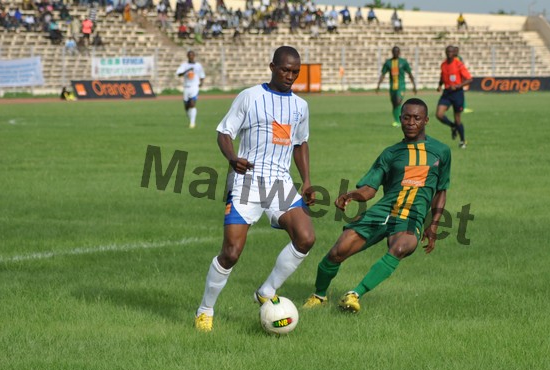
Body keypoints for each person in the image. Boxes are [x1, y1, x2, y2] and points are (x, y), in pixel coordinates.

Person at [194, 46, 316, 332]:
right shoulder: (250, 97)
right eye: (285, 70)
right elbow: (224, 132)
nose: (290, 76)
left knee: (306, 237)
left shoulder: (300, 106)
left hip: (280, 182)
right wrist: (232, 158)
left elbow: (300, 143)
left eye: (295, 72)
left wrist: (307, 180)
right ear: (272, 66)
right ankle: (205, 310)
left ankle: (266, 291)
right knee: (231, 252)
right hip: (247, 181)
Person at [303, 98, 450, 313]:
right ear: (400, 119)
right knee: (338, 251)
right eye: (406, 117)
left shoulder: (441, 151)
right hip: (382, 212)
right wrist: (352, 195)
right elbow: (370, 189)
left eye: (416, 118)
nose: (411, 122)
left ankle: (354, 294)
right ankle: (319, 295)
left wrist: (434, 225)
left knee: (400, 247)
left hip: (411, 216)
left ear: (426, 120)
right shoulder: (390, 154)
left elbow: (441, 191)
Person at [436, 45, 472, 148]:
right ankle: (452, 126)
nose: (449, 53)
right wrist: (439, 85)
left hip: (457, 93)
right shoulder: (443, 64)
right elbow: (442, 76)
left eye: (451, 52)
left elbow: (469, 79)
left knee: (457, 119)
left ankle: (462, 141)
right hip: (447, 93)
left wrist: (457, 86)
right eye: (447, 52)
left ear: (454, 53)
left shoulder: (459, 64)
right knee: (439, 114)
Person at [376, 46, 417, 127]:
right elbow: (383, 74)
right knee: (394, 104)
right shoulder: (388, 62)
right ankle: (396, 121)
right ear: (392, 52)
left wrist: (414, 85)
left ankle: (401, 120)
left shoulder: (403, 62)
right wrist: (378, 85)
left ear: (399, 52)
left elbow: (410, 74)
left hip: (401, 86)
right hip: (392, 86)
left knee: (398, 101)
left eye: (397, 51)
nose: (395, 53)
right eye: (394, 51)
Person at [175, 50, 206, 128]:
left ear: (194, 56)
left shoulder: (198, 65)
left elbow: (202, 75)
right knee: (186, 106)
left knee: (192, 104)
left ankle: (192, 123)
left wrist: (201, 82)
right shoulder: (184, 65)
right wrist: (187, 70)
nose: (191, 56)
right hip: (186, 87)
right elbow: (179, 74)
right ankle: (190, 117)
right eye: (189, 55)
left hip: (194, 87)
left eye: (192, 55)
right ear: (187, 56)